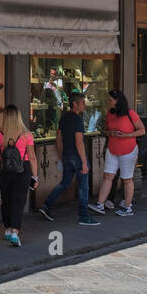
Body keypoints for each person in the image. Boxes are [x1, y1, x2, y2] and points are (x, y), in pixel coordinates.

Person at [38, 91, 98, 226]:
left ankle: (46, 205)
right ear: (75, 104)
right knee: (83, 186)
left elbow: (58, 138)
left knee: (65, 183)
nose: (85, 105)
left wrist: (61, 154)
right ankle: (83, 216)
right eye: (82, 103)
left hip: (67, 155)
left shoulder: (64, 118)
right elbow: (79, 142)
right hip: (77, 156)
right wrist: (84, 162)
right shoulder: (77, 120)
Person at [91, 90, 145, 216]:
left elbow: (142, 130)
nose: (108, 101)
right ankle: (100, 204)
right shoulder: (110, 113)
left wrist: (127, 135)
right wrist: (111, 133)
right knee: (108, 176)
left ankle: (127, 207)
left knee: (127, 179)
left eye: (110, 99)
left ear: (117, 100)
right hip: (112, 149)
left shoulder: (130, 113)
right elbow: (105, 130)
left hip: (128, 150)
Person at [0, 104, 38, 247]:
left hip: (4, 170)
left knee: (6, 200)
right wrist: (35, 176)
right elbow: (32, 157)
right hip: (22, 170)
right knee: (19, 202)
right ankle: (15, 232)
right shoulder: (26, 135)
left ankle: (7, 228)